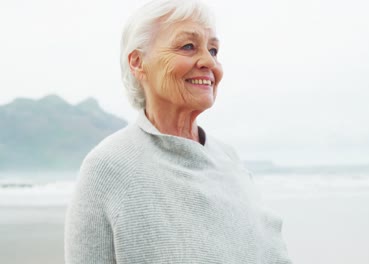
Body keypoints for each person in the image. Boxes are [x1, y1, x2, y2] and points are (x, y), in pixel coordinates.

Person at [64, 0, 292, 263]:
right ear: (138, 62)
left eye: (214, 50)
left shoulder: (230, 161)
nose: (209, 62)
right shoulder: (107, 168)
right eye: (188, 46)